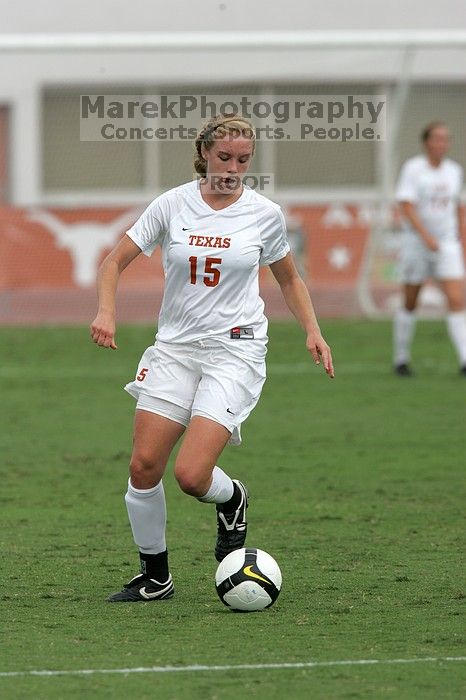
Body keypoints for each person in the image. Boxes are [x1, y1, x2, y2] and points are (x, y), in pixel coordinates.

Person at [90, 113, 334, 603]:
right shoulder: (172, 204)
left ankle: (232, 496)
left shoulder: (264, 213)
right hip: (175, 349)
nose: (232, 168)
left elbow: (288, 278)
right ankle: (155, 578)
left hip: (234, 350)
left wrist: (313, 330)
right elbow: (114, 261)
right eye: (224, 157)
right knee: (143, 466)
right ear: (203, 153)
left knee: (191, 475)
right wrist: (106, 312)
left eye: (243, 160)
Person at [393, 121, 466, 376]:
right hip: (417, 244)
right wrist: (425, 237)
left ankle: (464, 359)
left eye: (446, 138)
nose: (442, 143)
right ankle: (401, 358)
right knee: (411, 299)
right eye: (437, 138)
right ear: (426, 142)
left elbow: (459, 207)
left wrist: (460, 239)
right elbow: (406, 205)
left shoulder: (454, 171)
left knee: (457, 299)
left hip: (447, 244)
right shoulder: (413, 169)